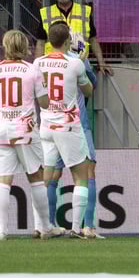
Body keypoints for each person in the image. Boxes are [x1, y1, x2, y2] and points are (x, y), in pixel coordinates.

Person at [0, 30, 54, 239]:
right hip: (25, 129)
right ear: (25, 46)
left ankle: (3, 231)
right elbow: (44, 102)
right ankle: (44, 227)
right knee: (35, 177)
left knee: (4, 180)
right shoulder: (32, 70)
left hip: (3, 130)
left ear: (5, 46)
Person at [35, 23, 96, 238]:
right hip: (67, 125)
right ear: (68, 40)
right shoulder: (74, 64)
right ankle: (77, 228)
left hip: (46, 125)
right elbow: (89, 89)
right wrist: (83, 61)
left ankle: (41, 227)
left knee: (45, 177)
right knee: (81, 175)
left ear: (50, 41)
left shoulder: (38, 62)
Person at [35, 0, 110, 74]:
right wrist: (37, 69)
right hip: (53, 66)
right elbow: (40, 43)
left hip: (80, 64)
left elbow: (93, 39)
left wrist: (102, 63)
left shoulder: (84, 11)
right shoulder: (46, 13)